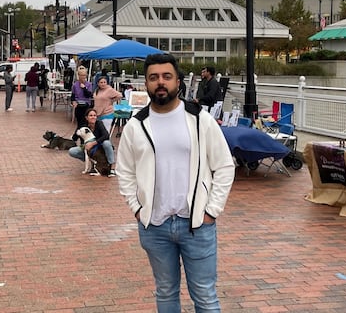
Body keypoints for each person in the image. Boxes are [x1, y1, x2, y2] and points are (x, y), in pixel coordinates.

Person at [117, 53, 235, 312]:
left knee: (204, 295)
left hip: (196, 224)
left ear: (178, 81)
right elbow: (124, 171)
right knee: (166, 292)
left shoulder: (199, 119)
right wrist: (137, 208)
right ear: (146, 84)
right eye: (154, 77)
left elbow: (224, 166)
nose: (160, 82)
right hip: (154, 226)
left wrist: (211, 210)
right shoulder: (136, 125)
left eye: (166, 77)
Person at [68, 108, 116, 177]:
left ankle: (111, 166)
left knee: (107, 143)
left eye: (95, 115)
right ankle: (93, 162)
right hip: (86, 146)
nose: (93, 117)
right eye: (91, 115)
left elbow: (106, 135)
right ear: (86, 117)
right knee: (72, 151)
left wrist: (93, 143)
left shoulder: (99, 123)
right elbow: (75, 138)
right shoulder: (83, 125)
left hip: (99, 146)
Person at [71, 67, 94, 135]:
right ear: (79, 76)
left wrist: (84, 88)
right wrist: (73, 102)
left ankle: (75, 137)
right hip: (78, 105)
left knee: (84, 123)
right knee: (80, 123)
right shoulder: (75, 85)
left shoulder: (89, 84)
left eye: (84, 75)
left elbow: (89, 95)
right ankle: (77, 137)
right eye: (81, 75)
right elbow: (73, 96)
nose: (83, 77)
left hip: (86, 105)